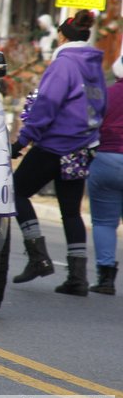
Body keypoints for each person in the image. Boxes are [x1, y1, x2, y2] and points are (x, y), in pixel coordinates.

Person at [10, 10, 106, 296]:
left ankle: (38, 257)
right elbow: (99, 106)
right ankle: (77, 278)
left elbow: (46, 105)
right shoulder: (95, 66)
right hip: (82, 146)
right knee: (71, 211)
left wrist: (22, 142)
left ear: (62, 35)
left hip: (55, 144)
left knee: (15, 191)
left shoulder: (64, 63)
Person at [86, 57, 123, 295]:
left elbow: (89, 123)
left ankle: (106, 277)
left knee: (104, 223)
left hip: (107, 158)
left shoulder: (106, 94)